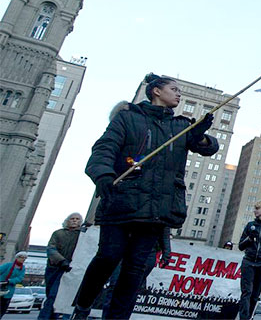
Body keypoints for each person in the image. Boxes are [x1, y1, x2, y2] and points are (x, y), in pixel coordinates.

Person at [74, 73, 218, 320]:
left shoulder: (180, 126)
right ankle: (83, 304)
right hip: (122, 202)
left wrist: (200, 136)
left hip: (156, 210)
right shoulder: (128, 118)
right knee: (108, 257)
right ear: (156, 92)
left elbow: (208, 147)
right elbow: (103, 149)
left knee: (134, 272)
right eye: (174, 89)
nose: (179, 94)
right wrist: (104, 176)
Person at [38, 213, 82, 320]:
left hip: (70, 270)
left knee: (60, 296)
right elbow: (51, 249)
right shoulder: (58, 234)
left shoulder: (81, 235)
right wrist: (61, 261)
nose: (74, 221)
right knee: (51, 295)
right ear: (67, 220)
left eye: (77, 219)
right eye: (72, 219)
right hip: (55, 268)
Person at [0, 252, 27, 319]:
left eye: (24, 258)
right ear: (17, 257)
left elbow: (20, 278)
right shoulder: (8, 265)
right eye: (21, 257)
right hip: (1, 286)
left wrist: (10, 281)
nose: (23, 259)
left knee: (3, 308)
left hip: (9, 290)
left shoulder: (22, 268)